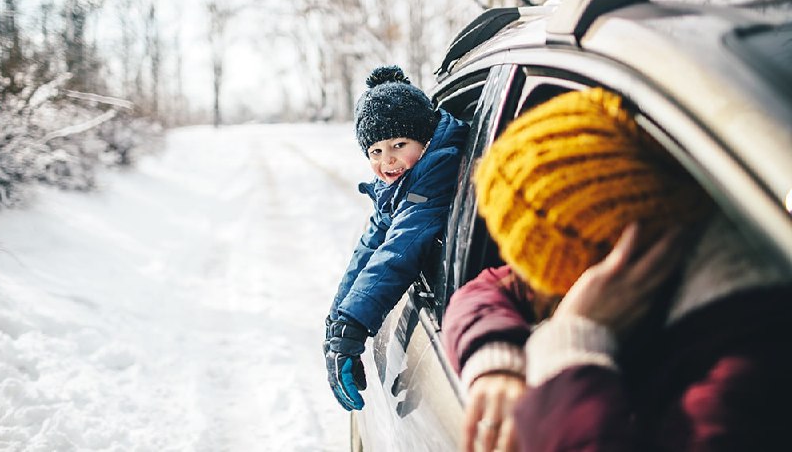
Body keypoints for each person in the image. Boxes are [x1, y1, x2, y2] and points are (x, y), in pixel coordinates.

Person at [442, 86, 792, 451]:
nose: (516, 271)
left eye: (528, 260)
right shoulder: (659, 253)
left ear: (609, 262)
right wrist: (495, 358)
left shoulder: (742, 374)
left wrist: (570, 352)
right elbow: (493, 288)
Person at [324, 65, 469, 411]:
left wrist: (353, 324)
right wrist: (337, 324)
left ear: (426, 138)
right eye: (375, 151)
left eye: (398, 144)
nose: (387, 160)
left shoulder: (434, 176)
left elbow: (398, 249)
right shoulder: (398, 184)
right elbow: (369, 248)